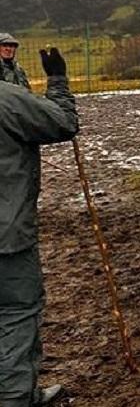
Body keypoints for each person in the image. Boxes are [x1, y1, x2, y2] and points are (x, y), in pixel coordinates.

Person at [0, 47, 77, 406]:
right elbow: (62, 122)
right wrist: (58, 79)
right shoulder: (6, 98)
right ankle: (16, 397)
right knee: (17, 310)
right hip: (7, 235)